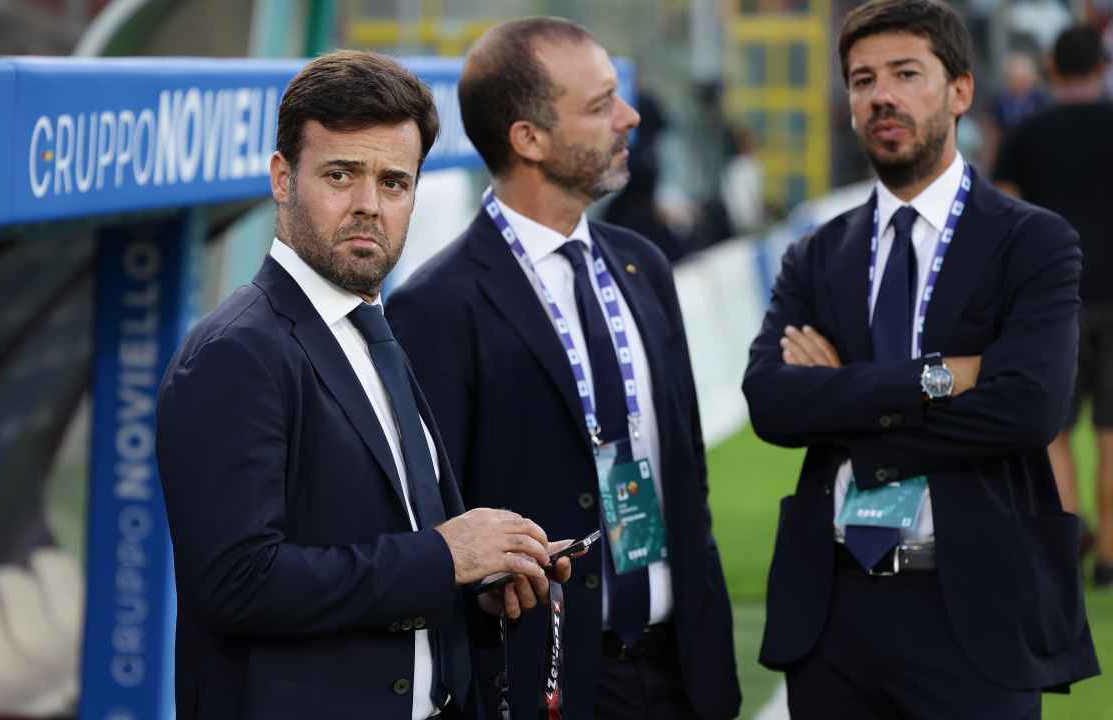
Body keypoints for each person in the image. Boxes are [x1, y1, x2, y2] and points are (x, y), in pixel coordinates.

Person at [155, 50, 572, 720]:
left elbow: (390, 555)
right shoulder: (237, 352)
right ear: (282, 179)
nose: (368, 207)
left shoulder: (373, 331)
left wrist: (478, 583)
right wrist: (443, 559)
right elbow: (236, 583)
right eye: (340, 175)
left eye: (394, 183)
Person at [743, 0, 1101, 717]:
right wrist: (940, 377)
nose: (881, 95)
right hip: (833, 616)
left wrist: (843, 399)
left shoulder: (1031, 242)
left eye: (906, 74)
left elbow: (1027, 408)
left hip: (976, 616)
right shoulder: (817, 253)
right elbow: (772, 403)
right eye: (863, 79)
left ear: (960, 90)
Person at [388, 18, 741, 720]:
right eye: (601, 104)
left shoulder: (643, 266)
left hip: (679, 674)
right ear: (529, 139)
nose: (629, 117)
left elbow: (687, 474)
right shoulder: (436, 306)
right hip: (541, 682)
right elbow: (430, 527)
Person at [994, 23, 1113, 588]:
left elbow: (1002, 214)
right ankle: (1110, 557)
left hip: (1054, 302)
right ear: (1102, 67)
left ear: (1052, 69)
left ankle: (1068, 539)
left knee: (1054, 430)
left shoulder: (1026, 133)